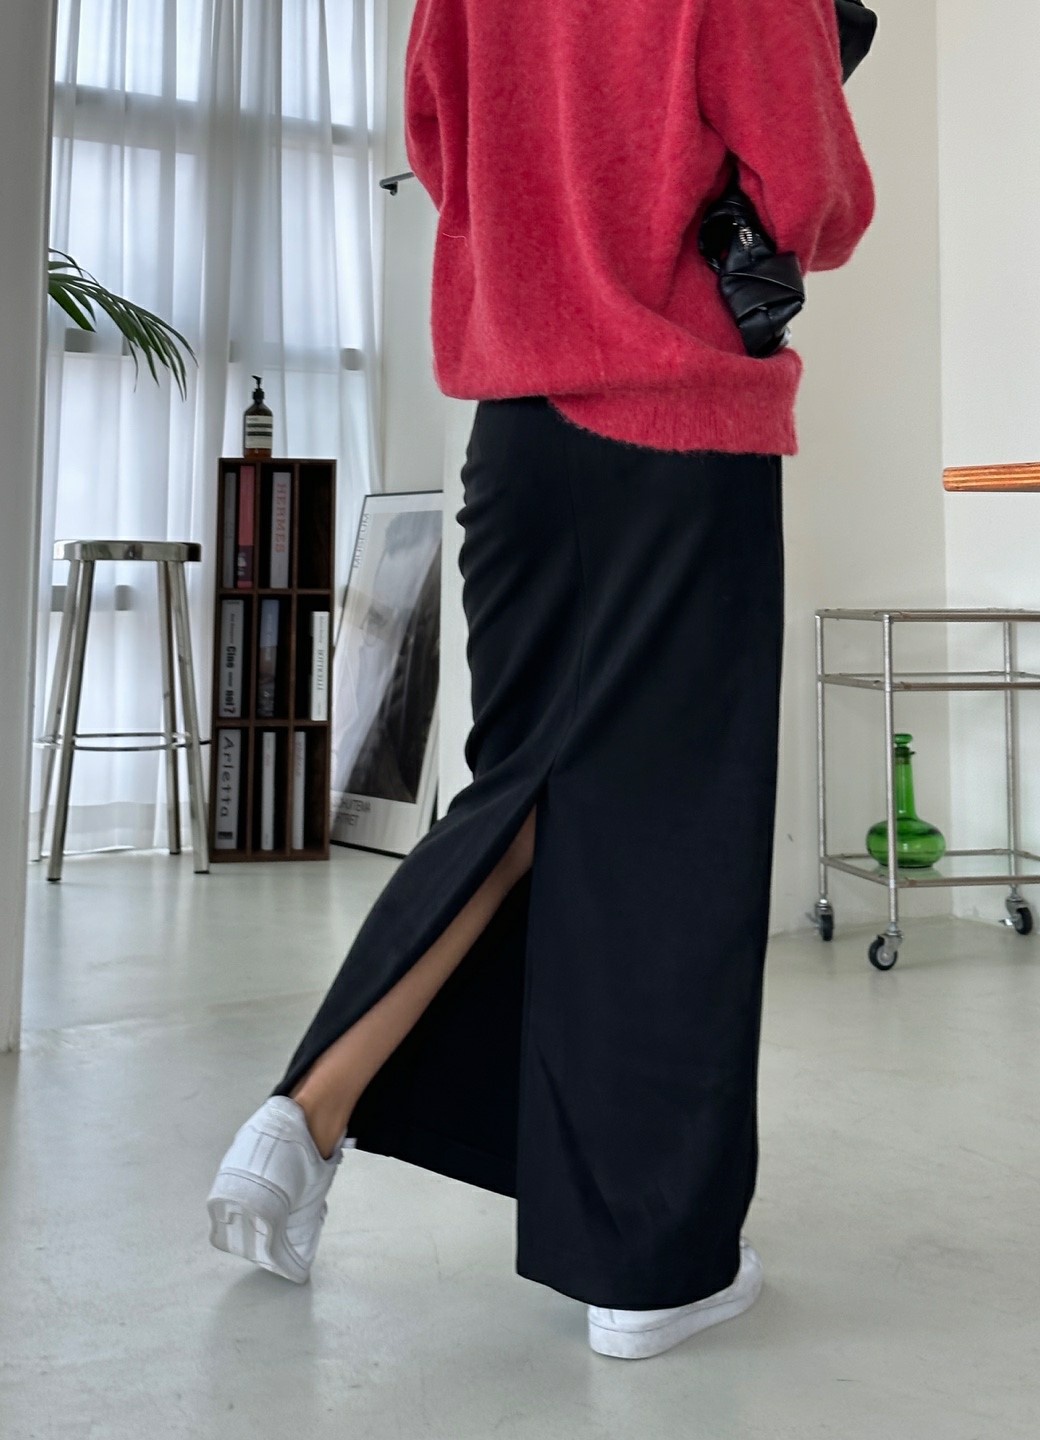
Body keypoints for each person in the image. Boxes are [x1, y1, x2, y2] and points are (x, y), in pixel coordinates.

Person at [206, 0, 875, 1360]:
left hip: (517, 432)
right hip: (676, 427)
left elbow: (443, 141)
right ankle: (649, 1268)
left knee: (523, 794)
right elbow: (815, 193)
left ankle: (304, 1117)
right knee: (668, 840)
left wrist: (556, 227)